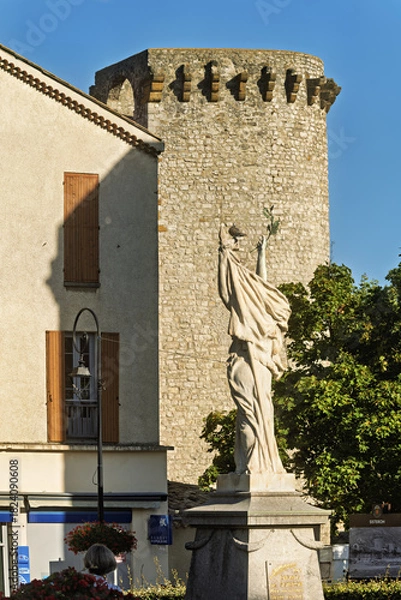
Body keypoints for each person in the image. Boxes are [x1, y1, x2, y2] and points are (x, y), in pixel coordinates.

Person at [218, 223, 291, 475]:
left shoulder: (263, 323)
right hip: (245, 365)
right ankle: (249, 466)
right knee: (249, 417)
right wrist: (225, 255)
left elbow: (259, 286)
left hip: (258, 368)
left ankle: (257, 465)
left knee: (259, 418)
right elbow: (233, 291)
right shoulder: (253, 319)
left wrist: (261, 255)